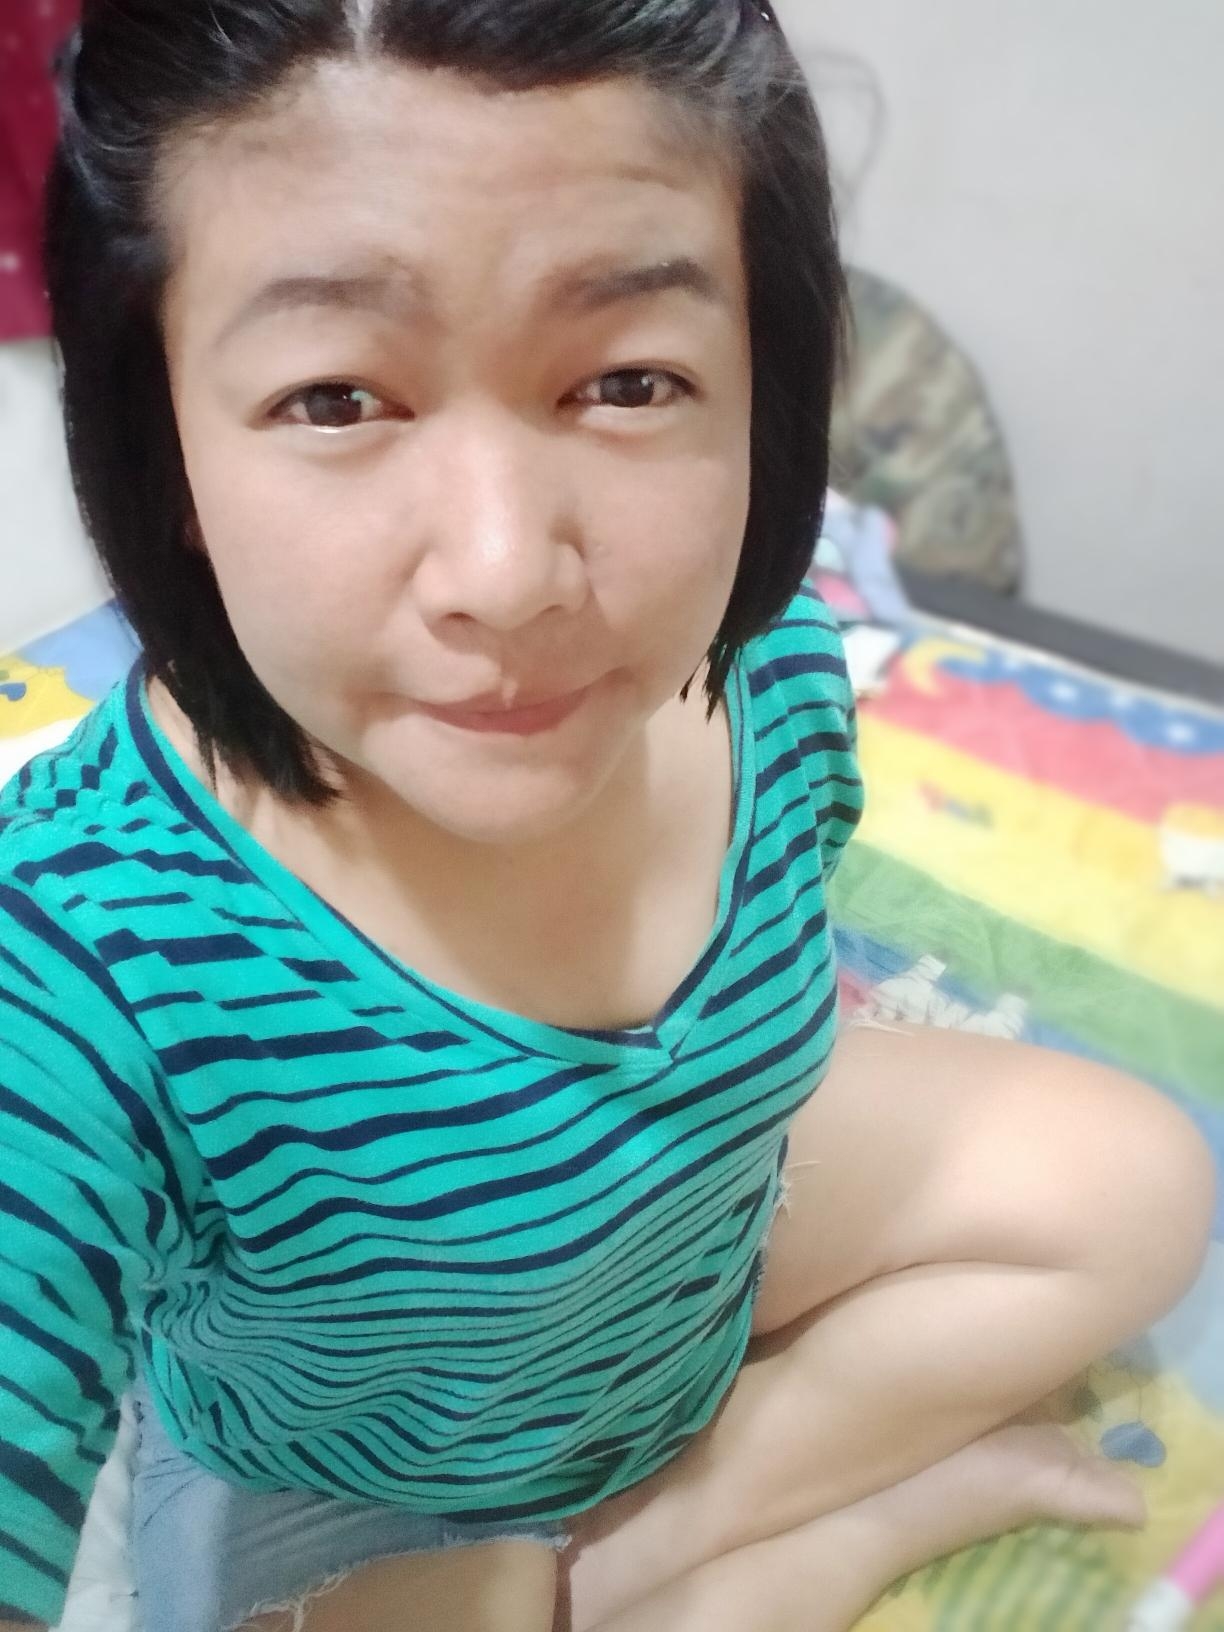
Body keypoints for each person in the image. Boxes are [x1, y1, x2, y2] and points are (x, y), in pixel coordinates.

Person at [0, 2, 1214, 1629]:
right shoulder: (75, 965)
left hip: (686, 1266)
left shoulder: (774, 677)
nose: (508, 575)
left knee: (1132, 1183)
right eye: (338, 399)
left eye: (630, 380)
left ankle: (647, 1553)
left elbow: (767, 1048)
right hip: (350, 1482)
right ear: (164, 456)